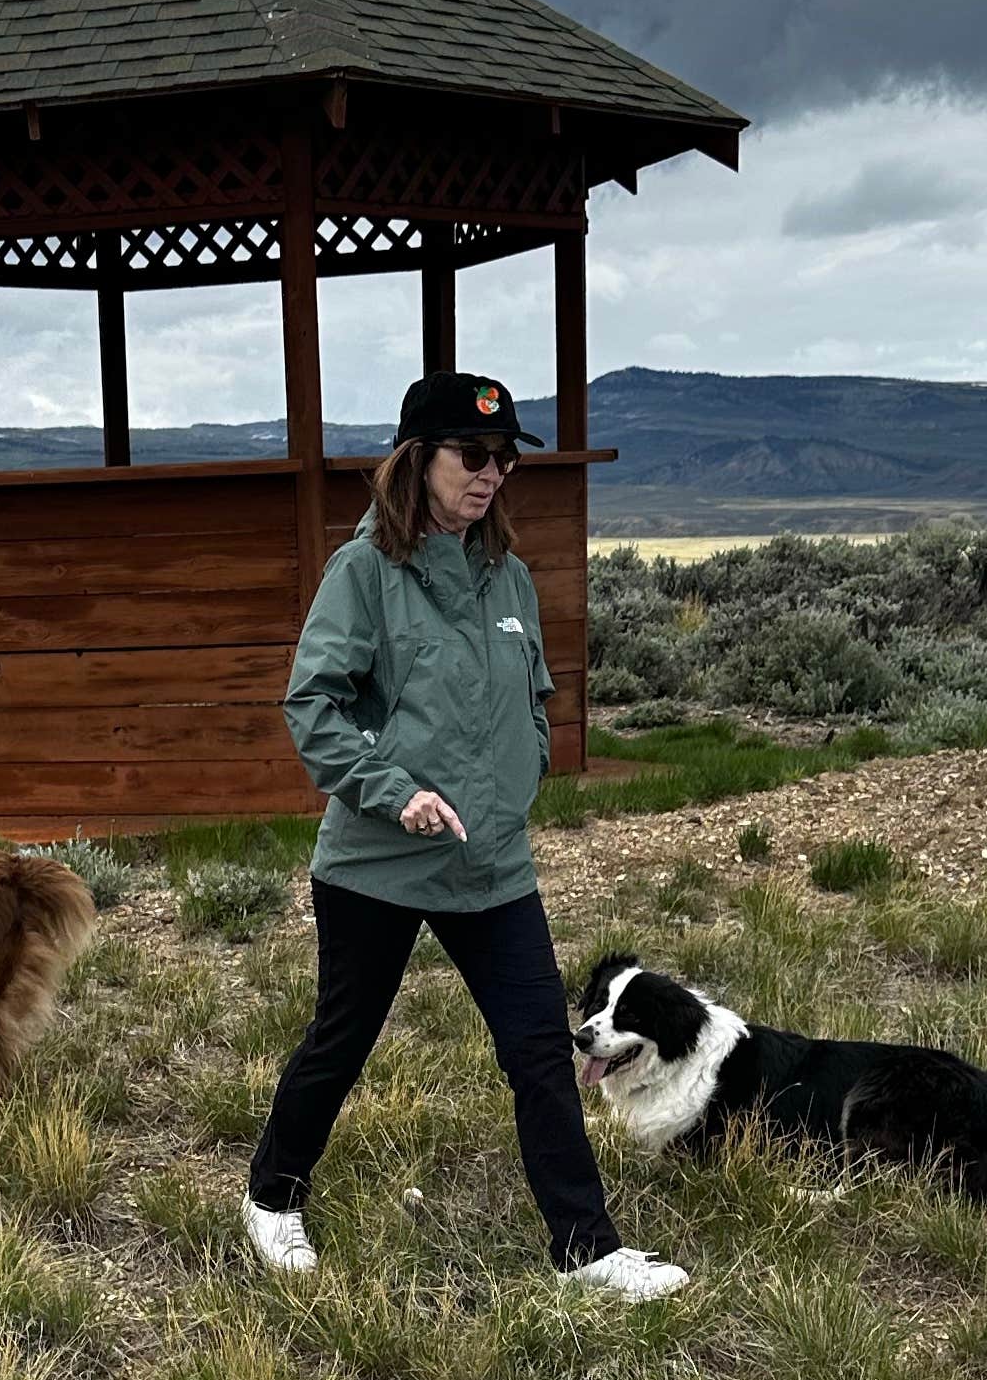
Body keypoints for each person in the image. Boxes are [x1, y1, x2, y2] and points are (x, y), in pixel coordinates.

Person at [242, 371, 689, 1303]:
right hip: (377, 862)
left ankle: (586, 1249)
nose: (491, 473)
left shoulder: (509, 576)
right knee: (343, 1037)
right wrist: (391, 791)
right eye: (472, 455)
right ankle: (271, 1198)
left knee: (538, 1050)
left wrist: (522, 766)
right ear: (418, 462)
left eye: (504, 459)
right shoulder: (363, 573)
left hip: (492, 864)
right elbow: (312, 705)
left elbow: (532, 699)